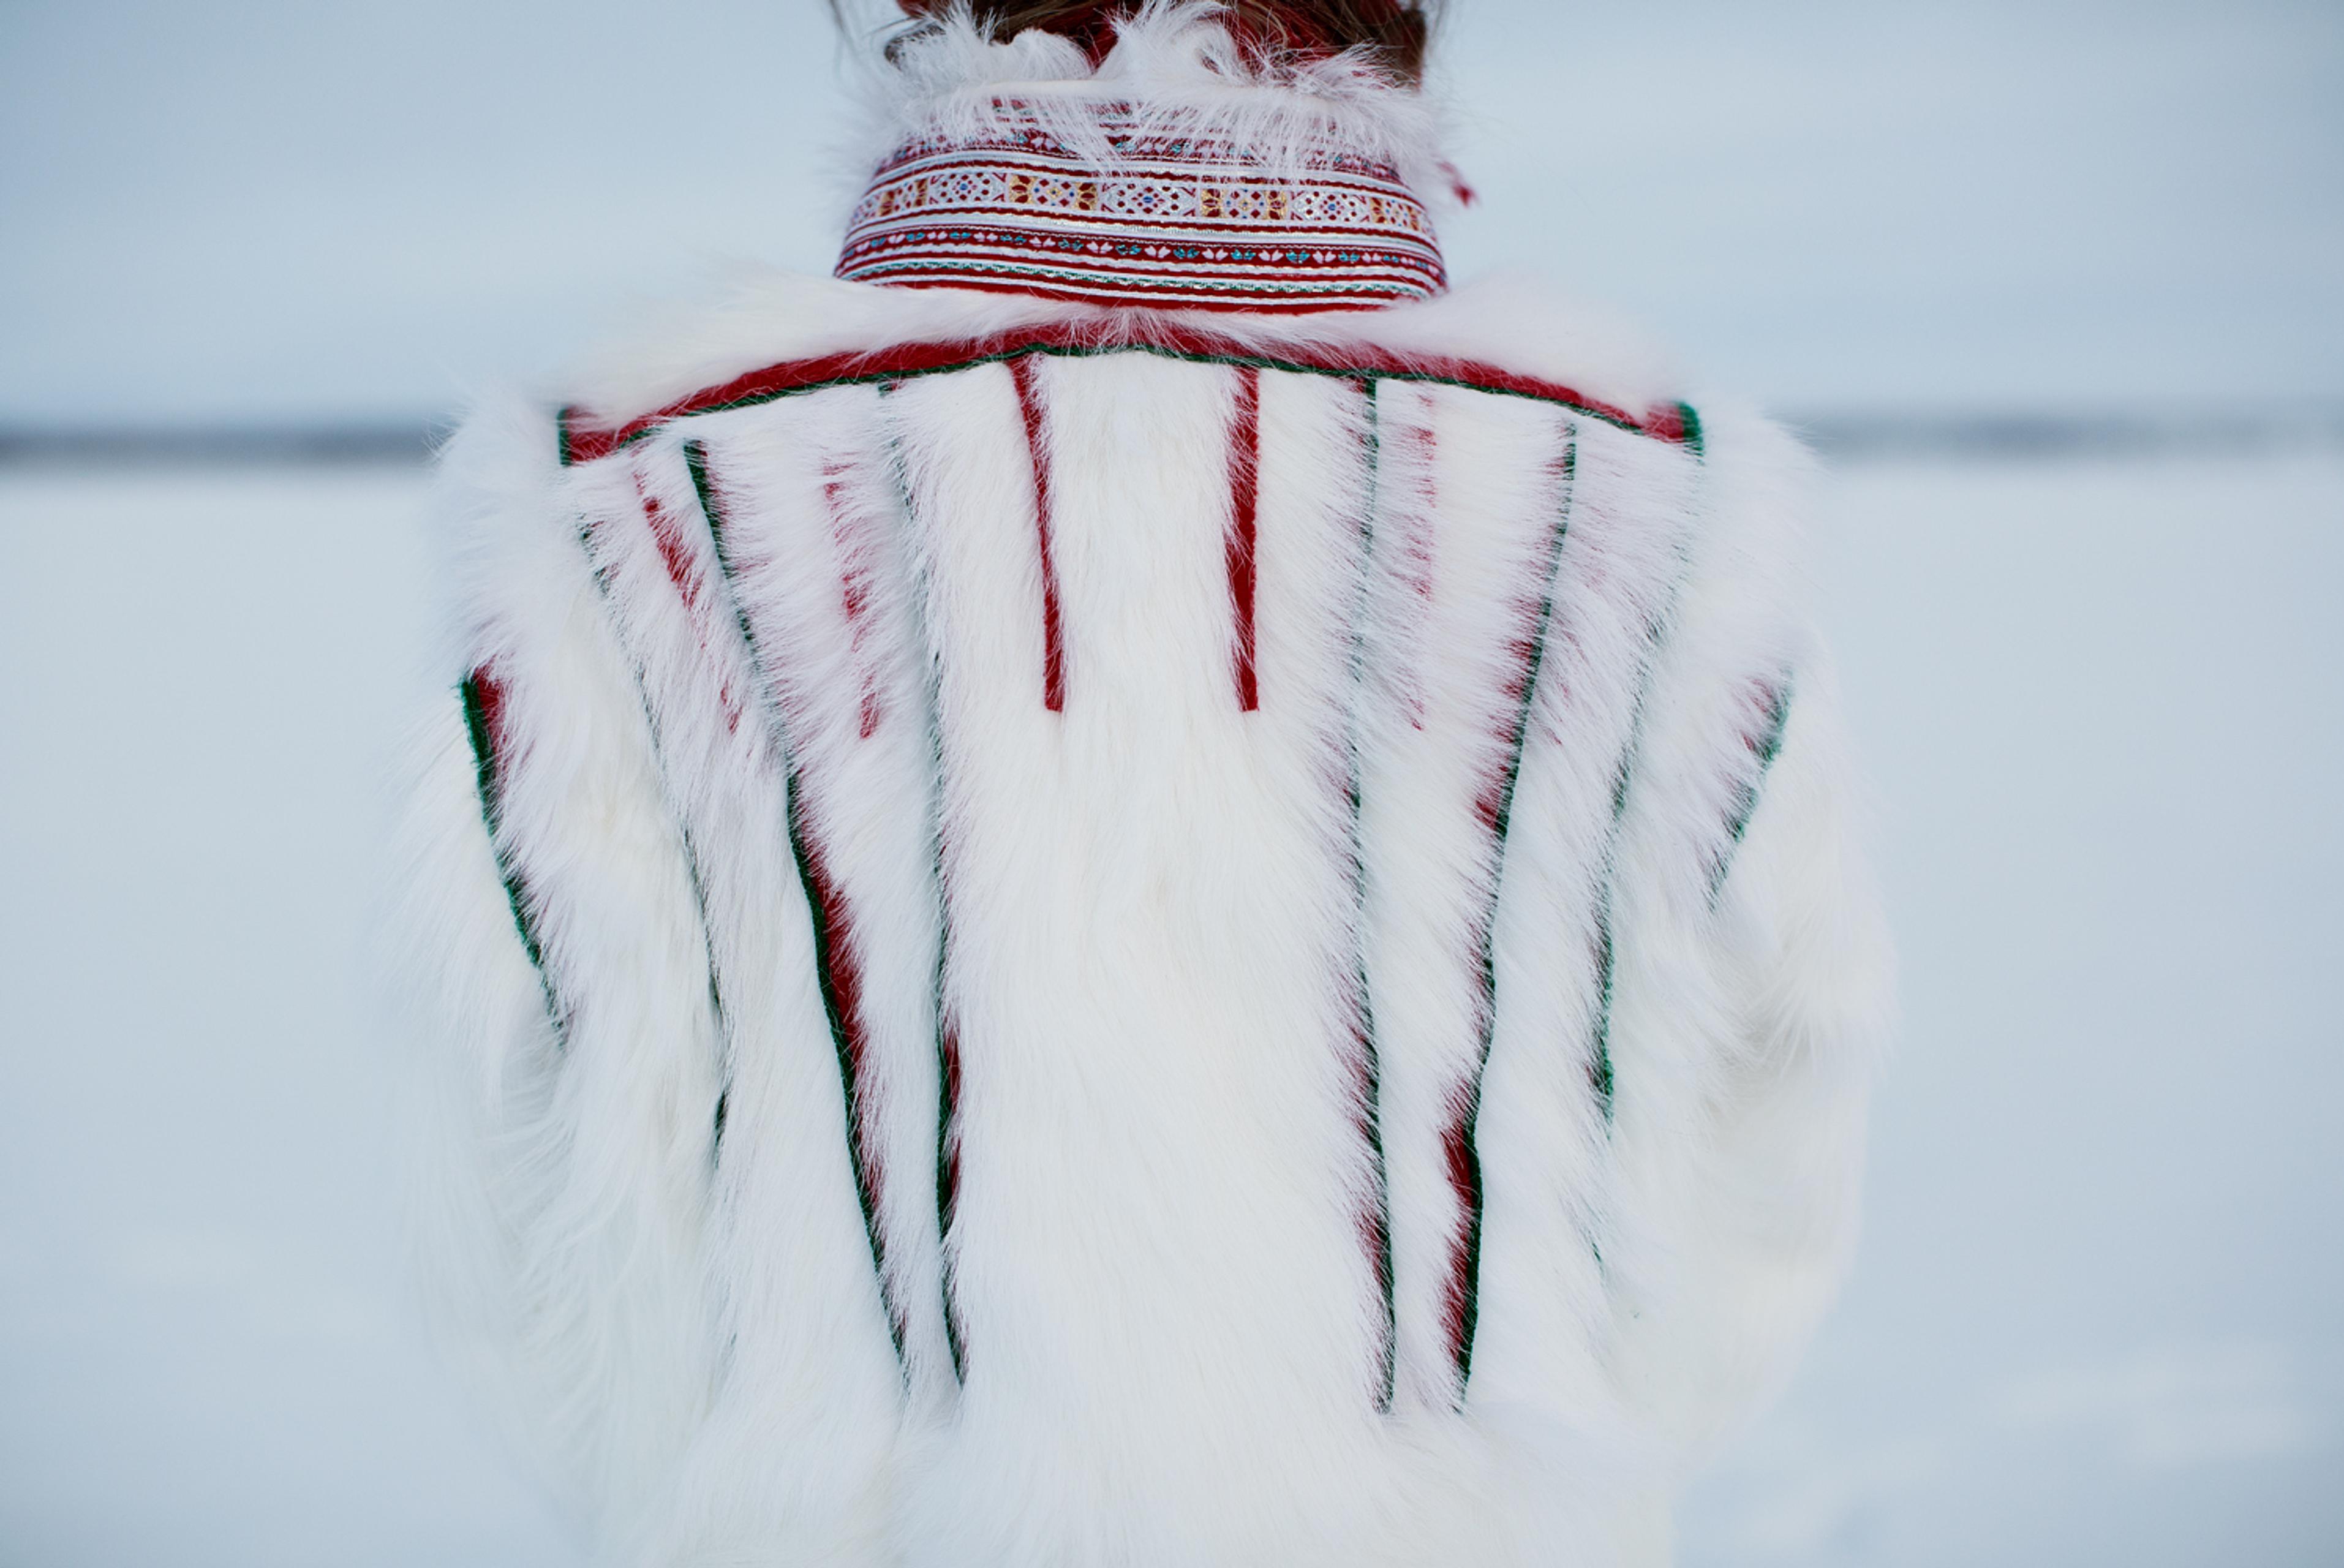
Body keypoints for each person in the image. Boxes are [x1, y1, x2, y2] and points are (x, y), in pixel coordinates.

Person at [393, 2, 1893, 1562]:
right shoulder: (1657, 507)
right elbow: (1770, 1166)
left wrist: (723, 1476)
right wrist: (1545, 1461)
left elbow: (511, 1226)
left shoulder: (610, 505)